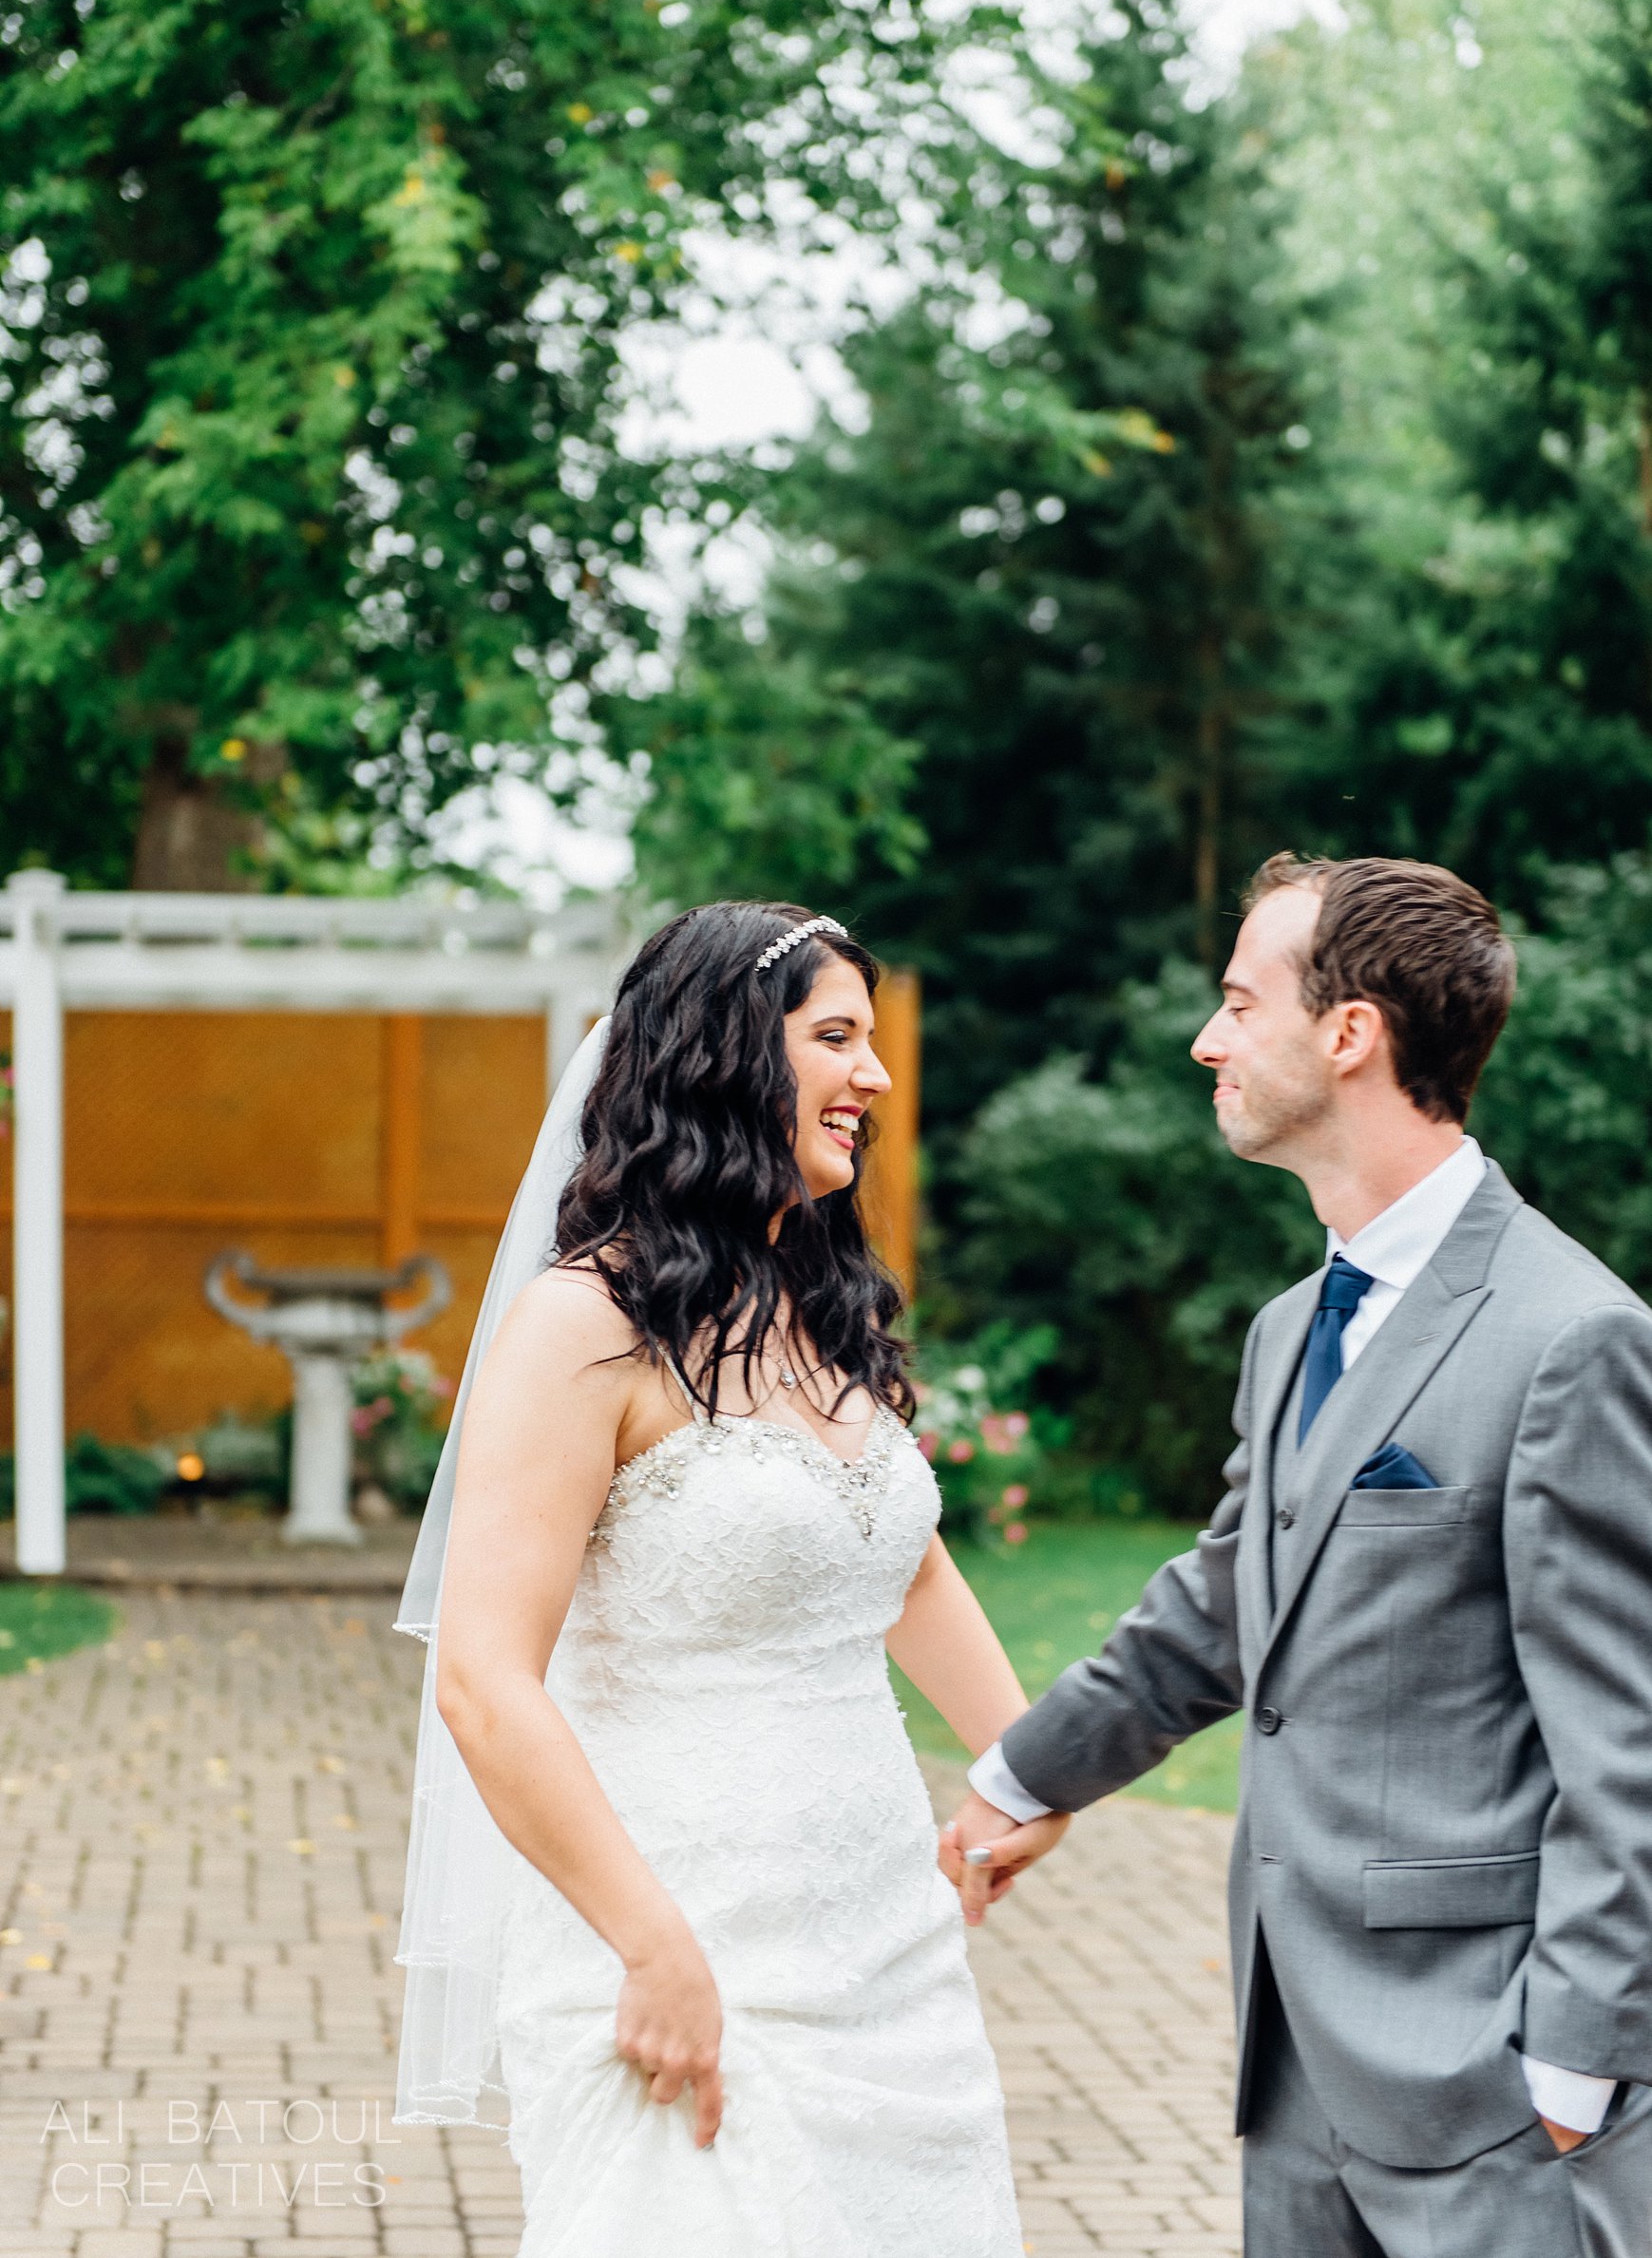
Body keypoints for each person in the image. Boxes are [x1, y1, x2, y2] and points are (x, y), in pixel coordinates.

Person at [942, 853, 1652, 2257]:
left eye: (1236, 999)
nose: (1208, 1038)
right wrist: (1017, 1774)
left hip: (1493, 2094)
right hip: (1293, 2066)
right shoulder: (1287, 1330)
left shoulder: (1573, 1336)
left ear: (1349, 1033)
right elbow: (1222, 1605)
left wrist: (1574, 2067)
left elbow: (1628, 1741)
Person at [392, 901, 1026, 2258]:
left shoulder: (825, 1306)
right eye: (835, 1037)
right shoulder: (586, 1325)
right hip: (680, 1933)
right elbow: (483, 1680)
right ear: (728, 1054)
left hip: (890, 1956)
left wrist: (1025, 1767)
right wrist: (651, 1943)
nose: (876, 1073)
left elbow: (897, 1560)